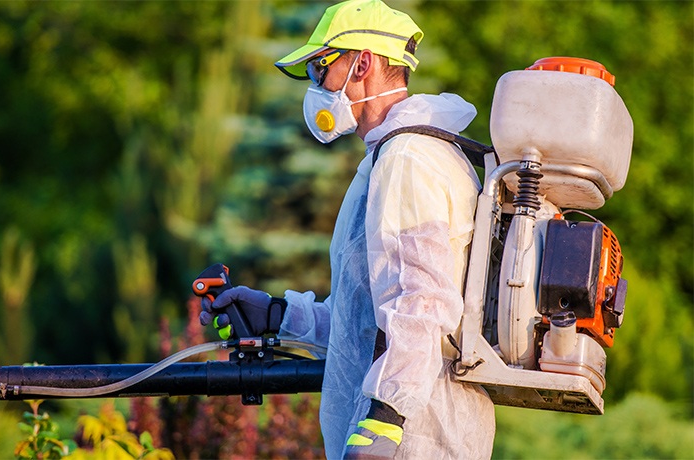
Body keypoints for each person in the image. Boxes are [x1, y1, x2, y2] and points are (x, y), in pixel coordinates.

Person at [200, 0, 496, 458]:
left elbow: (422, 302)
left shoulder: (408, 159)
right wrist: (279, 316)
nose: (317, 85)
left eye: (321, 67)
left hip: (413, 440)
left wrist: (385, 422)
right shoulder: (392, 156)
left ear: (363, 62)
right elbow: (365, 320)